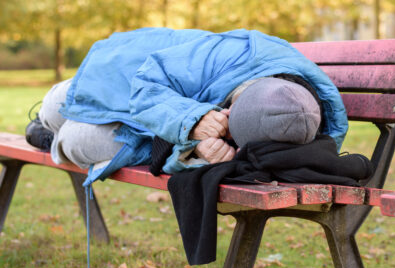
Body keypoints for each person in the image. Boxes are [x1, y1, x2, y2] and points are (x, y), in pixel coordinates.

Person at [31, 27, 348, 187]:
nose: (223, 124)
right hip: (130, 75)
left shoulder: (306, 124)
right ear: (238, 95)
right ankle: (45, 125)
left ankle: (51, 139)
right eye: (226, 116)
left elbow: (249, 165)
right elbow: (146, 84)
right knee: (54, 107)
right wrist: (193, 120)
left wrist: (196, 154)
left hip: (150, 132)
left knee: (73, 138)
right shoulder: (235, 55)